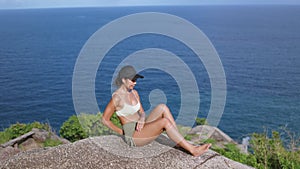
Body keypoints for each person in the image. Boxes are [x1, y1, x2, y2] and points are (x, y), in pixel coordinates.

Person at [102, 65, 211, 156]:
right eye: (132, 80)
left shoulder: (134, 94)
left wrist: (142, 118)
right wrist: (121, 132)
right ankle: (193, 150)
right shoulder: (116, 98)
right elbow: (105, 120)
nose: (135, 83)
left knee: (162, 107)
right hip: (133, 135)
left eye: (136, 80)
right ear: (123, 80)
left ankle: (178, 142)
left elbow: (142, 112)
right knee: (164, 122)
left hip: (142, 127)